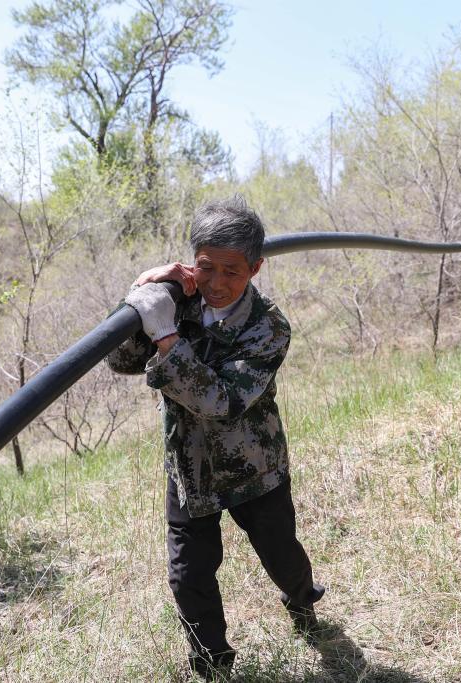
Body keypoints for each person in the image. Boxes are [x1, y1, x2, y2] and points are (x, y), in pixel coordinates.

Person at [106, 196, 324, 680]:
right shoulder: (178, 300)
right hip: (190, 471)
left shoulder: (269, 326)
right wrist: (139, 297)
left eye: (233, 271)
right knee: (189, 577)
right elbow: (121, 362)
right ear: (192, 260)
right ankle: (213, 665)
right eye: (207, 268)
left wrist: (166, 339)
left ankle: (303, 602)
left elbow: (224, 403)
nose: (218, 283)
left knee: (283, 556)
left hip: (255, 469)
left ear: (256, 268)